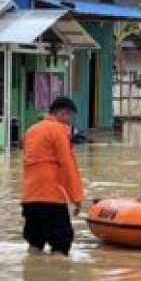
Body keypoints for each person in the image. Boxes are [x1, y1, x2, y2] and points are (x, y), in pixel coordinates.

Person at [21, 96, 85, 255]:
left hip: (30, 198)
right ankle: (58, 278)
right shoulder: (58, 130)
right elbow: (67, 165)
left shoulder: (31, 130)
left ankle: (33, 275)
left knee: (35, 243)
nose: (70, 122)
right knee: (61, 244)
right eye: (70, 117)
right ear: (63, 114)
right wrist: (76, 198)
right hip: (52, 198)